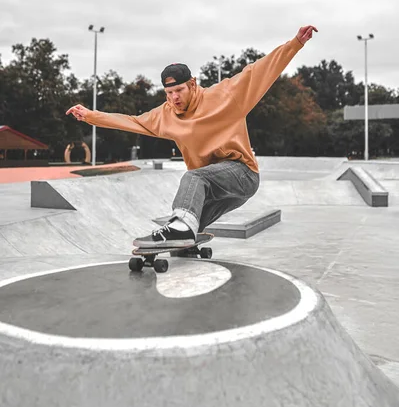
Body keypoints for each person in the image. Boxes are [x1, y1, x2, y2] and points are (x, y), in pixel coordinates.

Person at [66, 25, 317, 248]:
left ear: (193, 84)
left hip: (242, 174)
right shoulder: (165, 115)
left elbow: (261, 71)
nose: (174, 98)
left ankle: (181, 229)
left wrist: (295, 43)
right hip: (213, 184)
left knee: (193, 180)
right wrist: (91, 116)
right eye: (168, 92)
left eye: (178, 90)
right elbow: (132, 121)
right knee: (190, 218)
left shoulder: (226, 95)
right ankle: (182, 237)